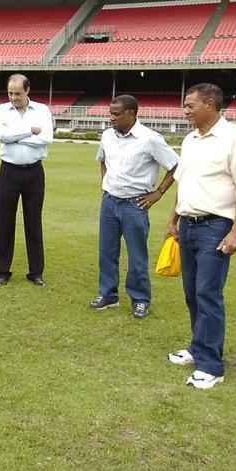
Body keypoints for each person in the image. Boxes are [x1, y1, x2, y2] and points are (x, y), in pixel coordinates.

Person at [166, 83, 236, 389]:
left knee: (208, 294)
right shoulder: (191, 139)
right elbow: (184, 181)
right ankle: (197, 347)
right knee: (192, 292)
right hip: (189, 224)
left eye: (190, 105)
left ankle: (211, 365)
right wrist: (174, 218)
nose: (185, 111)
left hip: (216, 227)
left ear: (210, 104)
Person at [91, 95, 178, 318]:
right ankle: (108, 294)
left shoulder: (150, 139)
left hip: (135, 204)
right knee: (107, 252)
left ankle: (140, 298)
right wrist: (105, 183)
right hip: (110, 202)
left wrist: (158, 193)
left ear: (131, 113)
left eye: (116, 114)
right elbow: (102, 159)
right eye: (110, 113)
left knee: (137, 255)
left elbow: (175, 165)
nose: (111, 118)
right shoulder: (107, 136)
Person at [0, 73, 54, 286]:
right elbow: (3, 137)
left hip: (34, 173)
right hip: (9, 172)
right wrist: (30, 132)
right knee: (5, 221)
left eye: (17, 93)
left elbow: (46, 139)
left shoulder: (42, 110)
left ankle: (36, 272)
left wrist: (17, 137)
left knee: (34, 222)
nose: (13, 97)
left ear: (27, 91)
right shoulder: (1, 110)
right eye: (10, 93)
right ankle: (2, 270)